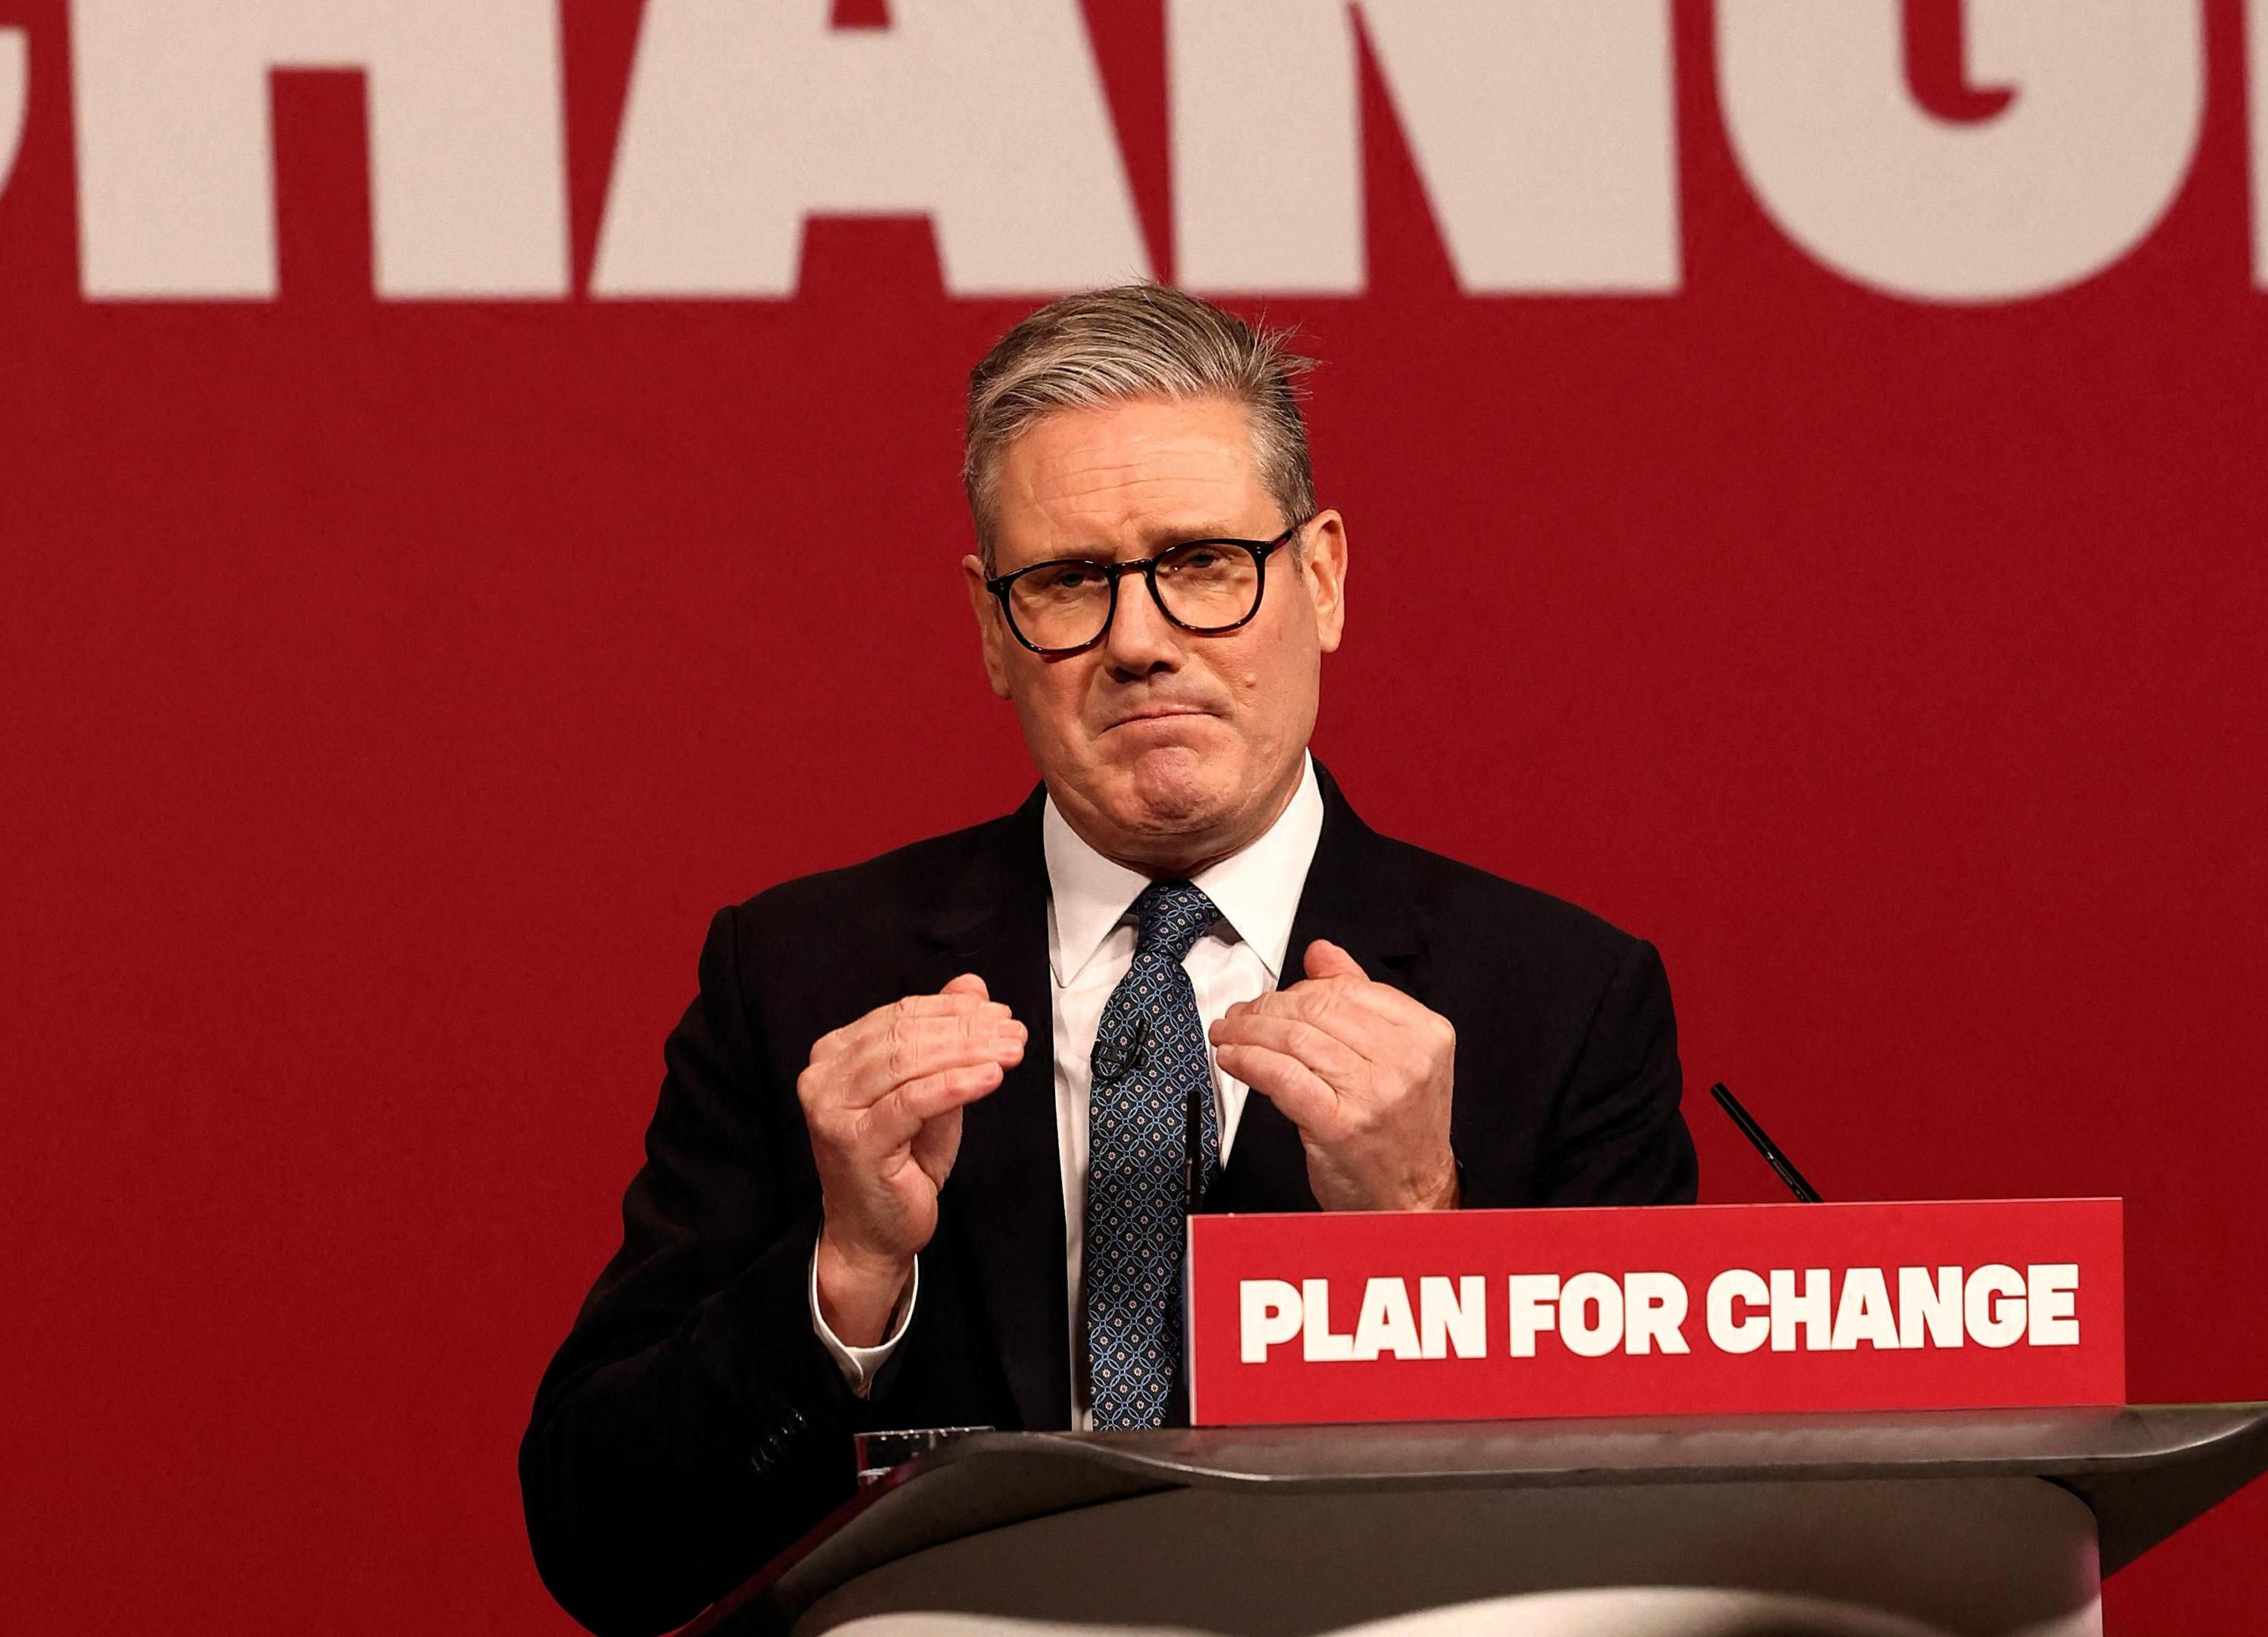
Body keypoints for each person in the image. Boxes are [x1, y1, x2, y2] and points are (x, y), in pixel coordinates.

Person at [519, 285, 1696, 1637]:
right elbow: (601, 1549)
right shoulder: (800, 976)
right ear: (988, 629)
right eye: (1071, 582)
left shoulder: (1560, 1002)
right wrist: (844, 1280)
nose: (1138, 641)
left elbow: (1643, 1550)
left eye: (1203, 561)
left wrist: (1418, 1241)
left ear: (1320, 577)